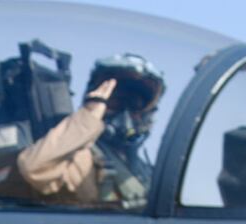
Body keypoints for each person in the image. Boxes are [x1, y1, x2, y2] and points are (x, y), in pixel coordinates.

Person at [15, 54, 166, 210]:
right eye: (115, 100)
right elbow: (34, 167)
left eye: (135, 103)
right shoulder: (81, 158)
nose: (124, 112)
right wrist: (90, 113)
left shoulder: (143, 170)